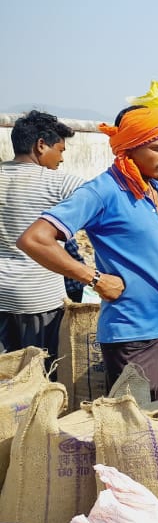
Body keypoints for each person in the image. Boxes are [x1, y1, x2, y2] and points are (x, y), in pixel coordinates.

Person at [18, 105, 158, 398]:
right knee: (133, 431)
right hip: (132, 334)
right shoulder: (103, 191)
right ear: (130, 148)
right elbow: (35, 239)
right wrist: (95, 278)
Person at [0, 111, 84, 359]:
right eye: (60, 150)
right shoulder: (60, 183)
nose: (61, 159)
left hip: (1, 295)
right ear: (40, 145)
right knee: (40, 373)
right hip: (38, 299)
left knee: (5, 377)